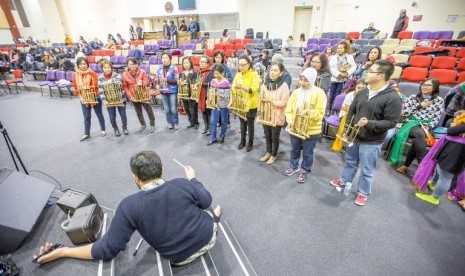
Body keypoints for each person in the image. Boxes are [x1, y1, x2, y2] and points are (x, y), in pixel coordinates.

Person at [33, 150, 222, 267]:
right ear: (162, 170)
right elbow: (206, 200)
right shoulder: (181, 183)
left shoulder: (129, 206)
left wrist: (64, 251)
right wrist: (193, 179)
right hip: (209, 237)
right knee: (204, 208)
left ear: (136, 178)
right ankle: (215, 218)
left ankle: (213, 217)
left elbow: (107, 249)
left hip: (179, 258)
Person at [329, 60, 402, 206]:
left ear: (381, 75)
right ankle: (345, 180)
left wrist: (369, 123)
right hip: (355, 137)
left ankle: (363, 193)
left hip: (372, 141)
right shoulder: (363, 91)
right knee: (350, 162)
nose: (367, 73)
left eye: (371, 71)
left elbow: (391, 123)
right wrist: (348, 131)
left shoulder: (393, 98)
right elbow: (351, 112)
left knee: (367, 169)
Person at [391, 78, 444, 173]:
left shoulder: (439, 100)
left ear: (435, 88)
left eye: (428, 85)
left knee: (418, 139)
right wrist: (420, 106)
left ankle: (405, 166)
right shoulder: (413, 97)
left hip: (426, 126)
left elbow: (437, 117)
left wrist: (429, 126)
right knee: (419, 134)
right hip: (411, 124)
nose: (425, 87)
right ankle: (422, 167)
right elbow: (404, 113)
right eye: (424, 84)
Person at [412, 111, 465, 205]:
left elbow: (451, 131)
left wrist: (453, 126)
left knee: (445, 176)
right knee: (441, 171)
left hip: (457, 151)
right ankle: (434, 185)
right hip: (453, 147)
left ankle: (435, 197)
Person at [284, 68, 326, 183]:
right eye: (301, 79)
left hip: (311, 130)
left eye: (305, 80)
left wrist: (308, 112)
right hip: (295, 128)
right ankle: (293, 166)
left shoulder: (319, 93)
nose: (302, 83)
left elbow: (320, 113)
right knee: (294, 149)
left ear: (312, 80)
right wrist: (290, 120)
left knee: (308, 152)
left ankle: (305, 170)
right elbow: (289, 110)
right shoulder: (296, 92)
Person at [259, 61, 290, 164]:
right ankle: (268, 151)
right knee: (267, 134)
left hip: (277, 115)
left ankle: (274, 154)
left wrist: (272, 102)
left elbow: (284, 102)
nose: (272, 72)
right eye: (271, 70)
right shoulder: (265, 83)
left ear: (281, 73)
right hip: (266, 114)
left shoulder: (284, 85)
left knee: (274, 136)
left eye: (275, 70)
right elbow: (261, 97)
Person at [72, 57, 106, 142]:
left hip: (94, 96)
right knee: (86, 116)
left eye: (84, 64)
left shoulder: (92, 74)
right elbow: (76, 87)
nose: (83, 66)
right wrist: (81, 97)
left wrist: (87, 91)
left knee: (99, 114)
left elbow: (95, 86)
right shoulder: (75, 75)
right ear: (78, 65)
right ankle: (87, 133)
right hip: (83, 98)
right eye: (81, 64)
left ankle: (103, 129)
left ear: (87, 64)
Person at [232, 54, 260, 152]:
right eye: (240, 65)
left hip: (251, 104)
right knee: (242, 124)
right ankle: (242, 141)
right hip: (240, 103)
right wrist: (235, 89)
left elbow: (254, 89)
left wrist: (242, 87)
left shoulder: (254, 74)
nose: (241, 67)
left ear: (249, 64)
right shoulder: (238, 74)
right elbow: (233, 87)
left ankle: (250, 143)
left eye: (244, 65)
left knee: (250, 124)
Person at [331, 79, 367, 152]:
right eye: (358, 88)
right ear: (355, 87)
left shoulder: (366, 97)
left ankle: (351, 144)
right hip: (345, 115)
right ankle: (343, 142)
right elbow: (347, 110)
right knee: (350, 121)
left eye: (363, 88)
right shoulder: (349, 95)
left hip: (357, 116)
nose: (360, 90)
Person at [122, 57, 156, 133]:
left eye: (134, 64)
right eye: (130, 64)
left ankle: (152, 124)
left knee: (149, 110)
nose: (132, 66)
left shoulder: (142, 71)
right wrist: (130, 97)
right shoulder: (124, 75)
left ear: (137, 64)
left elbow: (147, 82)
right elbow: (125, 87)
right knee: (138, 111)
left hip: (143, 94)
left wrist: (142, 83)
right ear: (127, 65)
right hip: (134, 95)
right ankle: (143, 125)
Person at [98, 59, 128, 137]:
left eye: (108, 67)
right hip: (109, 101)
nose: (107, 69)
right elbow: (101, 91)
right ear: (102, 69)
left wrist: (111, 81)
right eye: (105, 68)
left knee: (123, 114)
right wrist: (105, 102)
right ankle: (115, 129)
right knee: (112, 116)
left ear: (111, 68)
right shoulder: (100, 78)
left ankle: (125, 127)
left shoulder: (117, 75)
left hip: (120, 99)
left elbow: (119, 84)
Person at [328, 41, 356, 114]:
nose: (339, 49)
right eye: (338, 48)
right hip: (334, 79)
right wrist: (339, 74)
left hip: (344, 80)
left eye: (341, 48)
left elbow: (354, 66)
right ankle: (329, 109)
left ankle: (336, 111)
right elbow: (330, 67)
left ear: (345, 49)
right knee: (331, 95)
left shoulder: (349, 57)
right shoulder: (333, 57)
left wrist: (347, 73)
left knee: (338, 95)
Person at [207, 64, 231, 145]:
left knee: (224, 121)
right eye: (215, 73)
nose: (216, 75)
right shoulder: (213, 81)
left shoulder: (226, 83)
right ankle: (213, 138)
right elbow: (210, 92)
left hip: (224, 106)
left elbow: (228, 96)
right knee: (213, 121)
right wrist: (209, 99)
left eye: (218, 74)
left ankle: (222, 136)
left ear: (222, 73)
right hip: (214, 105)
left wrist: (221, 95)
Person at [156, 52, 179, 129]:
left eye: (166, 58)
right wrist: (157, 84)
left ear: (170, 59)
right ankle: (169, 122)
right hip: (163, 91)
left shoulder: (174, 68)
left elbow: (177, 81)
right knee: (166, 109)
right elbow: (157, 79)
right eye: (163, 58)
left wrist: (167, 80)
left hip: (172, 91)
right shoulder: (159, 68)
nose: (164, 59)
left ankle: (175, 122)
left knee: (173, 108)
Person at [180, 56, 199, 129]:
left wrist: (187, 82)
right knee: (187, 110)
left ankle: (196, 123)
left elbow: (195, 83)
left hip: (192, 95)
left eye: (187, 62)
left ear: (190, 63)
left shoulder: (194, 73)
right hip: (184, 95)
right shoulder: (181, 73)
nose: (185, 64)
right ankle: (191, 122)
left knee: (193, 110)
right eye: (184, 63)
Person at [198, 55, 213, 135]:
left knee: (208, 113)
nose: (202, 63)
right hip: (201, 95)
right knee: (203, 112)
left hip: (207, 96)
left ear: (208, 64)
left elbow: (211, 84)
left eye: (204, 62)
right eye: (201, 62)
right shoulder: (200, 72)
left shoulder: (210, 72)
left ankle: (210, 129)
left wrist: (201, 84)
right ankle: (206, 127)